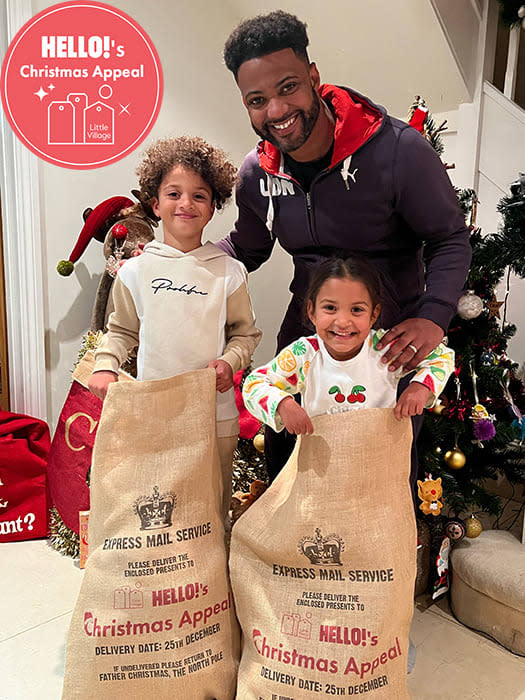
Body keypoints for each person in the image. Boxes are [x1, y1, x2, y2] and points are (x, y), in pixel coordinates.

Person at [218, 10, 471, 482]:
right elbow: (245, 249)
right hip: (306, 335)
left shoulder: (399, 150)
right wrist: (179, 259)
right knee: (289, 463)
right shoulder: (257, 174)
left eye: (287, 87)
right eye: (257, 99)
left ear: (313, 77)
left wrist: (434, 316)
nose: (275, 111)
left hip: (389, 339)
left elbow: (449, 237)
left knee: (381, 475)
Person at [89, 135, 262, 515]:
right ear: (155, 203)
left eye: (199, 196)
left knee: (210, 507)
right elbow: (120, 330)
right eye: (174, 194)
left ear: (214, 206)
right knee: (158, 500)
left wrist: (230, 362)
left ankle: (211, 570)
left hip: (214, 415)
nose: (186, 204)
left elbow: (244, 334)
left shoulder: (228, 272)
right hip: (154, 412)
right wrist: (105, 365)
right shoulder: (135, 272)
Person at [242, 256, 455, 435]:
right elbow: (254, 384)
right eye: (330, 308)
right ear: (311, 311)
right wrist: (283, 404)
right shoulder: (304, 355)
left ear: (374, 314)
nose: (343, 321)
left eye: (356, 310)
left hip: (379, 467)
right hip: (321, 469)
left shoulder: (385, 348)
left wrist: (421, 386)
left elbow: (441, 357)